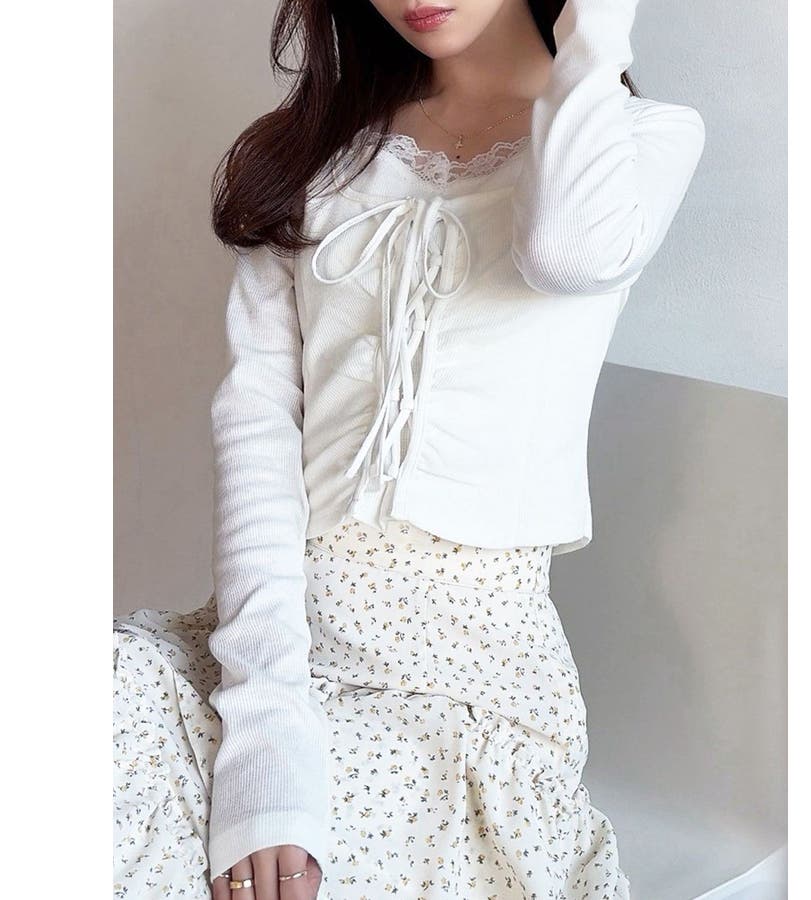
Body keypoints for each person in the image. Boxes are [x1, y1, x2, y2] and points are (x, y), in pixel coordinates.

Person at [112, 0, 705, 897]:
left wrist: (591, 36)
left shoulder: (639, 139)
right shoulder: (312, 156)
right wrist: (266, 741)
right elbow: (256, 435)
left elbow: (567, 255)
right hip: (271, 649)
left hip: (465, 681)